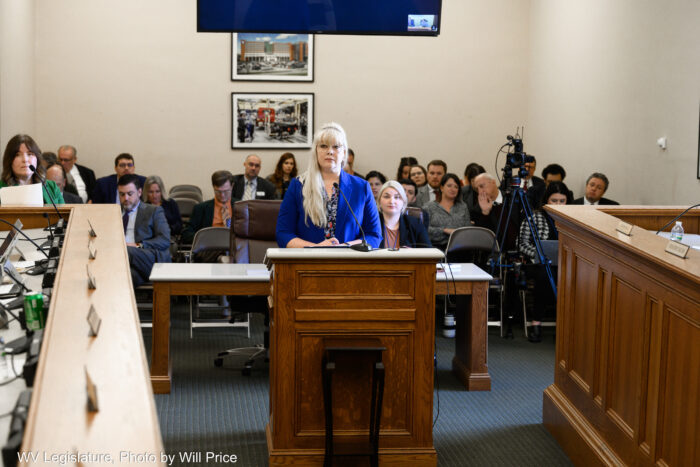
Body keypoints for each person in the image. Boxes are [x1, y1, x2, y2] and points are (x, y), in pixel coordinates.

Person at [276, 122, 381, 248]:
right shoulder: (298, 185)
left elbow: (374, 235)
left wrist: (345, 247)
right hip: (307, 263)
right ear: (316, 151)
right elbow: (283, 234)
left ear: (344, 153)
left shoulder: (361, 187)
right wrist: (316, 249)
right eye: (324, 146)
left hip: (349, 262)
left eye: (336, 147)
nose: (330, 151)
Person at [518, 181, 569, 342]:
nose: (558, 204)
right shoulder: (535, 217)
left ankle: (566, 325)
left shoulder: (572, 221)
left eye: (562, 201)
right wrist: (538, 253)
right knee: (546, 275)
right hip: (537, 263)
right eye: (554, 201)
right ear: (546, 200)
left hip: (566, 264)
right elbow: (521, 244)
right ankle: (537, 322)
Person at [118, 174, 171, 287]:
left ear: (140, 192)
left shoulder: (154, 211)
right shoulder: (115, 212)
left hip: (146, 258)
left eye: (130, 194)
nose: (126, 198)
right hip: (126, 264)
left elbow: (164, 240)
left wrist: (137, 245)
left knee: (124, 250)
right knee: (125, 276)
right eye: (122, 194)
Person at [0, 134, 64, 204]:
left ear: (37, 159)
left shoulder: (52, 187)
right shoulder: (1, 188)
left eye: (30, 154)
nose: (25, 160)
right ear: (9, 160)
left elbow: (64, 214)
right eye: (17, 155)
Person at [181, 170, 234, 244]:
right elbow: (186, 234)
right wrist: (205, 239)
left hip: (234, 246)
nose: (222, 195)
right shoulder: (201, 208)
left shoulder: (241, 206)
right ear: (213, 187)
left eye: (226, 191)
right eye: (218, 191)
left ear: (232, 186)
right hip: (210, 247)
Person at [377, 181, 430, 249]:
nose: (391, 201)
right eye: (386, 197)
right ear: (379, 202)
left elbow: (428, 253)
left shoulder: (416, 224)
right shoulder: (370, 224)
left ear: (403, 202)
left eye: (397, 197)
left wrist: (413, 253)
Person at [424, 173, 470, 250]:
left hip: (460, 249)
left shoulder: (463, 206)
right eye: (449, 186)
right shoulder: (428, 207)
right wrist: (445, 231)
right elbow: (424, 230)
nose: (453, 189)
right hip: (435, 249)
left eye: (456, 187)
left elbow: (467, 231)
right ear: (441, 188)